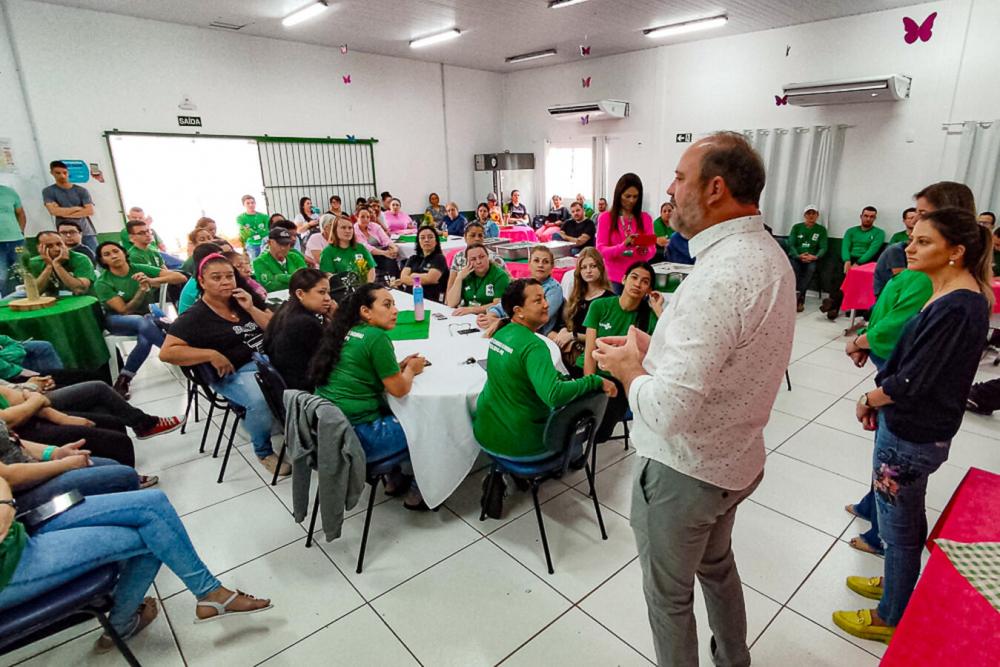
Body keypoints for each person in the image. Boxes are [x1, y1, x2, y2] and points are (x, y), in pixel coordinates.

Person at [592, 132, 795, 667]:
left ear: (715, 189)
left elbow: (665, 411)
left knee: (668, 598)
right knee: (718, 568)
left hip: (687, 470)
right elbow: (724, 358)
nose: (669, 188)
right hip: (736, 459)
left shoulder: (721, 275)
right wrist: (649, 344)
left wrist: (630, 369)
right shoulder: (764, 253)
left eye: (680, 177)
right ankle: (733, 658)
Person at [833, 207, 991, 644]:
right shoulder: (952, 294)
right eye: (912, 236)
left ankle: (890, 616)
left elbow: (910, 381)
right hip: (912, 425)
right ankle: (894, 585)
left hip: (912, 433)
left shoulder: (959, 305)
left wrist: (869, 399)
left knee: (899, 529)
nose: (910, 246)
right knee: (903, 516)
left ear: (956, 251)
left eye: (924, 240)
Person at [843, 181, 975, 557]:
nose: (912, 236)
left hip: (912, 416)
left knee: (898, 488)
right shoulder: (938, 276)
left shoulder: (944, 287)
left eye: (924, 216)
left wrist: (866, 362)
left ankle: (887, 567)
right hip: (903, 398)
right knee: (888, 470)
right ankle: (875, 511)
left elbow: (909, 353)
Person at [0, 478, 272, 652]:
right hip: (9, 566)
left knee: (153, 505)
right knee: (154, 537)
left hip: (20, 522)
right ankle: (207, 595)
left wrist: (4, 502)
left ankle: (208, 595)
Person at [161, 254, 283, 475]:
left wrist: (251, 308)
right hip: (233, 371)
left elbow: (274, 329)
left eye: (229, 276)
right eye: (216, 278)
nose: (225, 282)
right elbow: (167, 353)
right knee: (259, 399)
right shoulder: (195, 316)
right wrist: (210, 354)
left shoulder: (241, 300)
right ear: (202, 281)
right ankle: (263, 451)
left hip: (267, 359)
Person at [309, 284, 427, 509]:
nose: (395, 311)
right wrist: (412, 369)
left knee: (393, 410)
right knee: (425, 422)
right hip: (356, 437)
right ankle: (420, 490)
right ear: (365, 311)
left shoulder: (346, 330)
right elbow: (399, 390)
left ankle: (394, 478)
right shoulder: (376, 337)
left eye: (394, 305)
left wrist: (397, 366)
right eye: (387, 305)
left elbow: (360, 368)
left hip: (326, 431)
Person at [473, 278, 615, 459]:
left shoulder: (501, 333)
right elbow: (554, 395)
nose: (546, 304)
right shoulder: (534, 347)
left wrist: (559, 377)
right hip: (519, 442)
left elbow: (522, 372)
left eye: (544, 298)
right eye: (538, 300)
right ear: (519, 311)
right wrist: (594, 380)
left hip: (487, 431)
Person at [580, 261, 663, 442]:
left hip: (620, 378)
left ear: (648, 290)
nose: (638, 284)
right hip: (590, 370)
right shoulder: (600, 306)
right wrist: (590, 382)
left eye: (645, 281)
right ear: (624, 279)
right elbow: (589, 351)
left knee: (598, 433)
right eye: (634, 277)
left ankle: (581, 445)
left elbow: (666, 345)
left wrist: (658, 311)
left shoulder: (647, 317)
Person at [94, 242, 187, 398]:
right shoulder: (103, 282)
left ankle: (123, 379)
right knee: (142, 321)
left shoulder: (138, 268)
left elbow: (180, 277)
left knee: (145, 338)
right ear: (103, 261)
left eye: (116, 251)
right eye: (107, 254)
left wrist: (151, 281)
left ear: (124, 253)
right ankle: (177, 353)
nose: (114, 255)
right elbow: (125, 310)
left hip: (147, 316)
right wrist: (141, 291)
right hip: (118, 320)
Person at [263, 269, 334, 391]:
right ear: (300, 294)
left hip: (287, 383)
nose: (328, 298)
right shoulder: (304, 322)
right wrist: (336, 321)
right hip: (305, 389)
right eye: (321, 292)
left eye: (328, 293)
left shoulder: (285, 308)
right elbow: (330, 359)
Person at [548, 248, 614, 373]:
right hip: (570, 350)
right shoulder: (577, 296)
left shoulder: (609, 299)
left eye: (593, 266)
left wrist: (573, 336)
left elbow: (605, 336)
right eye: (584, 267)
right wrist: (564, 330)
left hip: (592, 355)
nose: (588, 271)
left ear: (600, 268)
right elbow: (568, 322)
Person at [822, 206, 885, 320]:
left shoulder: (879, 233)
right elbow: (845, 246)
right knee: (838, 275)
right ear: (861, 217)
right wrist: (847, 260)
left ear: (874, 218)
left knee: (853, 277)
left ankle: (834, 304)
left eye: (871, 217)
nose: (868, 219)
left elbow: (872, 250)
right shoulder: (851, 231)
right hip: (848, 259)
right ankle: (833, 306)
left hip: (865, 261)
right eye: (866, 216)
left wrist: (859, 263)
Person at [483, 245, 563, 334]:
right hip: (511, 327)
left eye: (546, 262)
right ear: (529, 264)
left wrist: (500, 322)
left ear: (552, 266)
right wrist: (492, 315)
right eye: (536, 261)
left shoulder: (554, 289)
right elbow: (505, 303)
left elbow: (536, 318)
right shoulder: (524, 283)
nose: (540, 265)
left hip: (535, 334)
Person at [596, 173, 655, 292]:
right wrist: (623, 246)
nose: (632, 200)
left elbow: (652, 249)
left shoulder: (646, 218)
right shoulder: (605, 218)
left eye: (635, 196)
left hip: (638, 279)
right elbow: (600, 250)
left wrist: (645, 251)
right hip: (614, 279)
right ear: (619, 195)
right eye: (627, 196)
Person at [42, 161, 97, 252]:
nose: (62, 176)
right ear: (52, 173)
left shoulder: (81, 190)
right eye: (58, 173)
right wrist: (77, 208)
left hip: (86, 232)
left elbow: (89, 211)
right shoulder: (48, 191)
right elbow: (53, 211)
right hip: (65, 234)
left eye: (65, 173)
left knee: (95, 259)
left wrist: (62, 212)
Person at [445, 243, 510, 316]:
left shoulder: (500, 275)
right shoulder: (465, 274)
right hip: (467, 316)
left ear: (488, 257)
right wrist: (459, 278)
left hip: (489, 317)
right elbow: (451, 303)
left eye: (482, 257)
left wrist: (471, 310)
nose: (478, 262)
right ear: (467, 261)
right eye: (473, 259)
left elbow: (498, 305)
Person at [786, 205, 829, 311]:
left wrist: (815, 256)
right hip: (796, 257)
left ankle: (800, 298)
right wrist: (798, 255)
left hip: (811, 258)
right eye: (808, 213)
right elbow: (791, 244)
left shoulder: (821, 230)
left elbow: (823, 247)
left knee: (810, 270)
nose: (811, 216)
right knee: (793, 270)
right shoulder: (796, 227)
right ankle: (792, 297)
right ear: (804, 215)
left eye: (813, 213)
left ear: (817, 215)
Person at [27, 231, 95, 296]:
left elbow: (80, 290)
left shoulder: (81, 259)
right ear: (39, 248)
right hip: (53, 303)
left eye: (59, 244)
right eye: (49, 246)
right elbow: (34, 293)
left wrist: (57, 265)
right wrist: (49, 266)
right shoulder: (34, 263)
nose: (57, 249)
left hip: (84, 302)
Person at [446, 221, 505, 292]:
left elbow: (504, 284)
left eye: (480, 235)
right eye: (473, 235)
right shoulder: (458, 257)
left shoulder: (494, 258)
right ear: (465, 237)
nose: (477, 239)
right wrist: (447, 301)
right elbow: (451, 282)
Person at [396, 225, 449, 303]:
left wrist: (412, 275)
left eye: (430, 237)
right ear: (418, 241)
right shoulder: (413, 258)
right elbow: (403, 278)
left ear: (436, 241)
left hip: (430, 299)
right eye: (422, 237)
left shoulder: (439, 258)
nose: (426, 240)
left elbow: (431, 279)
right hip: (410, 297)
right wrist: (422, 277)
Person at [319, 215, 376, 286]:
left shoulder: (361, 248)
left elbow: (371, 269)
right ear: (335, 230)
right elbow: (328, 275)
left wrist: (368, 286)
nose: (347, 231)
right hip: (342, 290)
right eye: (343, 228)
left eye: (350, 228)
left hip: (364, 289)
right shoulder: (327, 252)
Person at [252, 227, 307, 293]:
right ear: (269, 243)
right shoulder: (259, 262)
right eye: (280, 244)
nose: (283, 248)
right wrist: (296, 278)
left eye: (286, 244)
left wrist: (279, 277)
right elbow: (270, 287)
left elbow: (306, 279)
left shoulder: (295, 256)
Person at [354, 208, 400, 279]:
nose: (366, 219)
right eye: (362, 217)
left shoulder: (374, 226)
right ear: (356, 217)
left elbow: (386, 239)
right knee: (389, 258)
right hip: (365, 255)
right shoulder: (354, 230)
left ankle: (395, 280)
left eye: (368, 217)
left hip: (381, 252)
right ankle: (394, 279)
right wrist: (385, 253)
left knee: (392, 255)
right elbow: (366, 247)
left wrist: (394, 248)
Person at [0, 184, 26, 296]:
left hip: (17, 241)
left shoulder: (9, 192)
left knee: (24, 273)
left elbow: (20, 214)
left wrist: (20, 231)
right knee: (2, 277)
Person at [237, 195, 270, 260]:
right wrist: (259, 232)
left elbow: (267, 230)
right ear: (243, 204)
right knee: (254, 262)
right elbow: (244, 233)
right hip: (251, 244)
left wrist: (253, 232)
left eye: (252, 202)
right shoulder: (240, 218)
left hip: (265, 243)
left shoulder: (264, 216)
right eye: (248, 203)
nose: (251, 205)